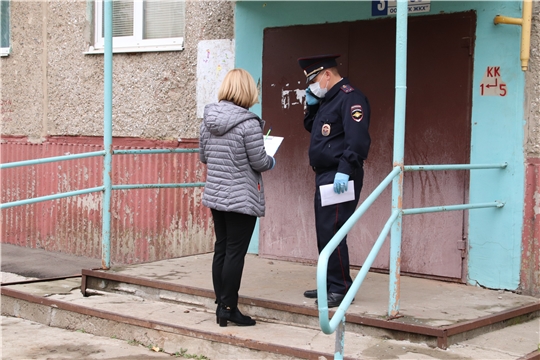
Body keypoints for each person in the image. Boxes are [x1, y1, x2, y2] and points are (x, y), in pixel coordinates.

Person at [199, 68, 276, 327]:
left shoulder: (208, 118)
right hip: (242, 196)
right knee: (235, 252)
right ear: (247, 91)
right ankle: (229, 307)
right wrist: (272, 158)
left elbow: (204, 156)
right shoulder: (249, 123)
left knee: (222, 248)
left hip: (216, 194)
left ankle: (221, 305)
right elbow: (260, 161)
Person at [297, 54, 371, 308]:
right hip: (325, 174)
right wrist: (313, 105)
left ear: (327, 74)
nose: (311, 86)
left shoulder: (350, 98)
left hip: (340, 173)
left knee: (334, 231)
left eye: (314, 80)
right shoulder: (327, 99)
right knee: (324, 231)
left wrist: (345, 168)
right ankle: (328, 284)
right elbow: (315, 129)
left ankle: (340, 288)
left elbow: (358, 139)